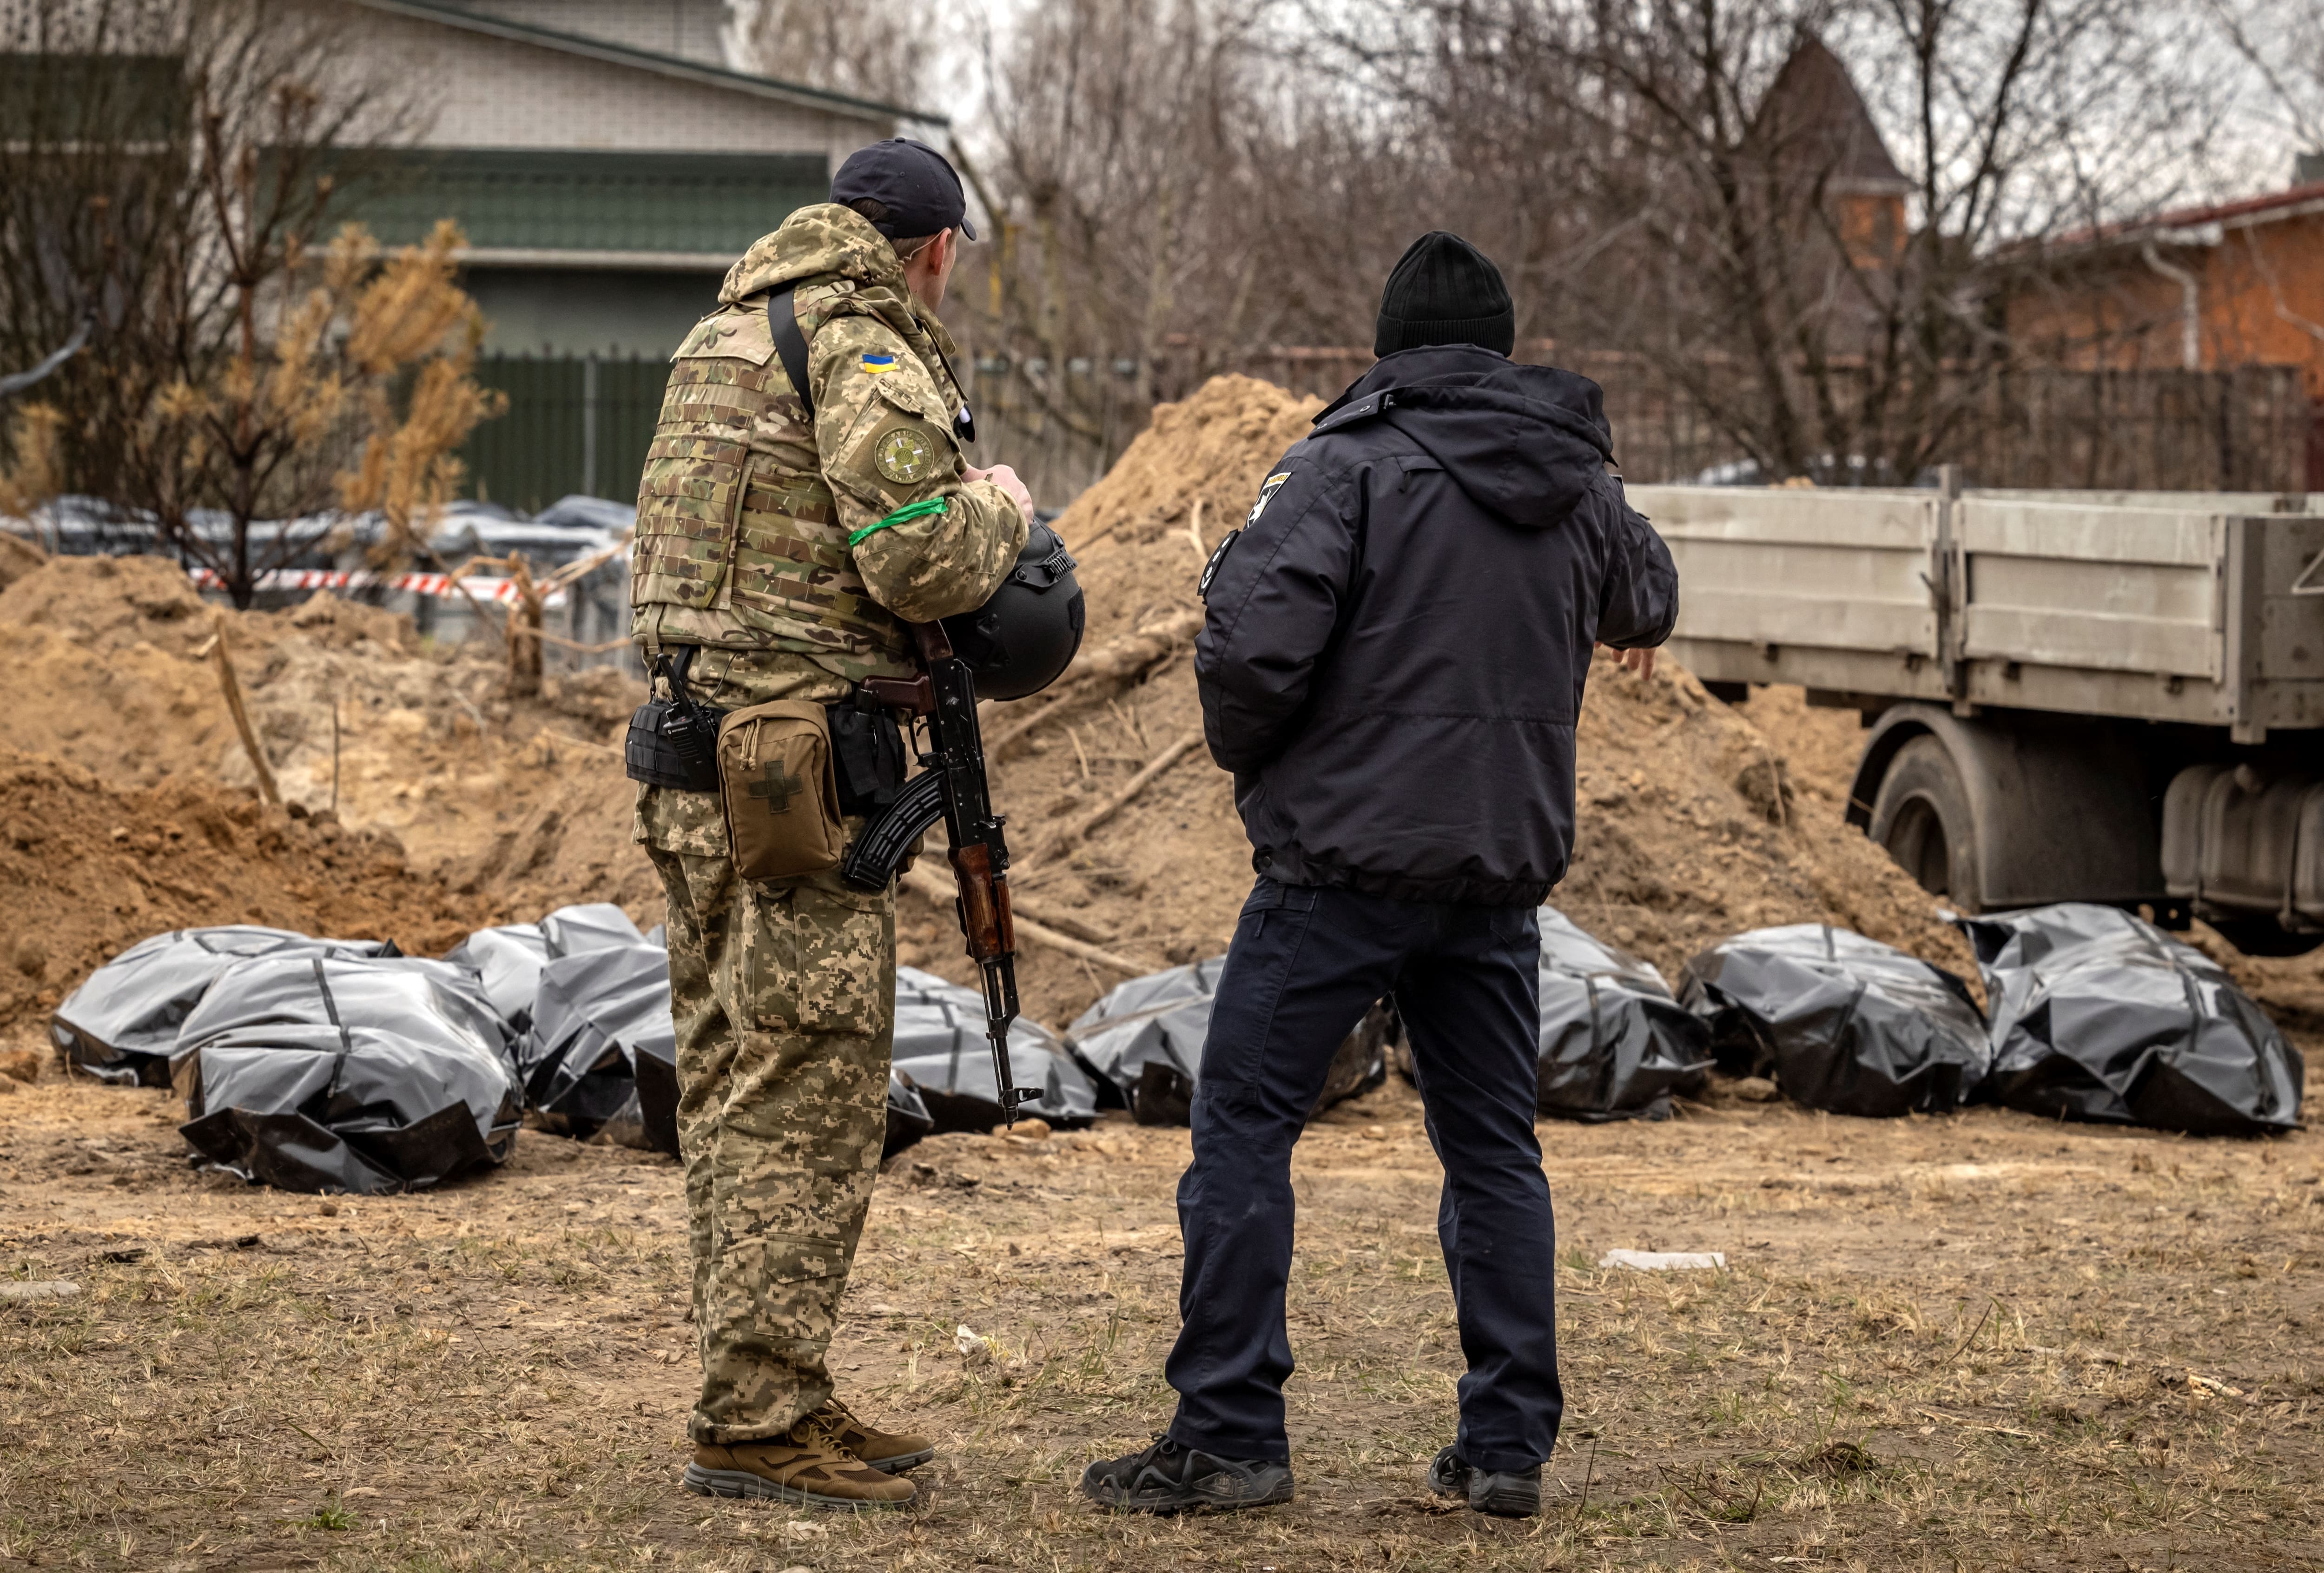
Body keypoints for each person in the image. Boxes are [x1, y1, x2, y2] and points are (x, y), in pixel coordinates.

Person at [1080, 231, 1677, 1518]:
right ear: (1506, 349)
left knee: (1242, 1126)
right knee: (1492, 1151)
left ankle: (1230, 1432)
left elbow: (1248, 653)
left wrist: (1265, 773)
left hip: (1336, 871)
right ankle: (1508, 1448)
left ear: (1390, 346)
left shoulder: (1341, 466)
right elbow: (1650, 599)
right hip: (1498, 879)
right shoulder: (1579, 479)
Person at [629, 138, 1033, 1509]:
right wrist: (1001, 510)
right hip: (791, 781)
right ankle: (754, 1415)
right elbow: (916, 549)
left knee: (741, 1080)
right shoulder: (858, 344)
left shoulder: (721, 334)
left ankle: (769, 1387)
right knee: (807, 1094)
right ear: (933, 250)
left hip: (691, 769)